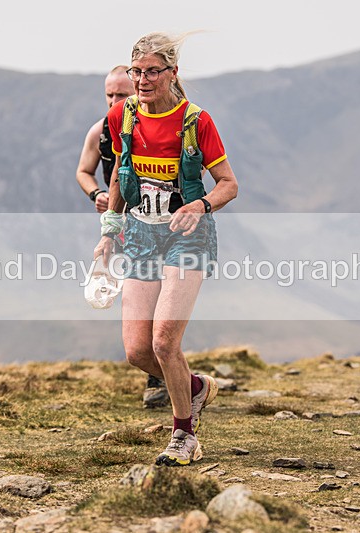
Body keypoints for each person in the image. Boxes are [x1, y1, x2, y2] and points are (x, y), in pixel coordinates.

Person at [94, 32, 238, 466]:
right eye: (136, 71)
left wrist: (201, 203)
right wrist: (108, 230)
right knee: (137, 350)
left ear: (172, 73)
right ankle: (193, 387)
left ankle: (183, 434)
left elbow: (229, 184)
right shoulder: (123, 116)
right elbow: (119, 175)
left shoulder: (196, 120)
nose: (141, 79)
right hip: (139, 233)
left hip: (187, 236)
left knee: (163, 341)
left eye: (152, 71)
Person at [76, 65, 170, 409]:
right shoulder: (100, 131)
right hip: (121, 226)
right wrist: (95, 195)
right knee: (138, 304)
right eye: (110, 95)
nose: (115, 101)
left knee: (161, 300)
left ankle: (162, 377)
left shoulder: (154, 128)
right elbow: (84, 171)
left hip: (159, 227)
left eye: (122, 95)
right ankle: (165, 374)